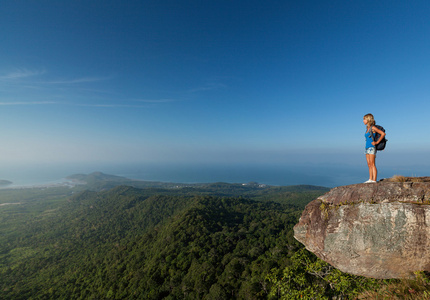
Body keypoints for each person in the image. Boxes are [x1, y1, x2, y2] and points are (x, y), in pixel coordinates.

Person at [363, 113, 386, 183]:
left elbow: (383, 134)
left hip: (372, 148)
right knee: (369, 164)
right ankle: (370, 179)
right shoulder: (367, 128)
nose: (363, 121)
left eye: (364, 119)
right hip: (366, 148)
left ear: (368, 119)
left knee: (372, 164)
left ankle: (374, 180)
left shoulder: (373, 128)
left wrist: (377, 142)